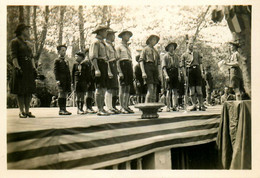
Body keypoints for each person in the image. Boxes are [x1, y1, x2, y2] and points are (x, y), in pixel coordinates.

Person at [9, 23, 37, 118]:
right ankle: (21, 111)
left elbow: (31, 57)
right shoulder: (15, 42)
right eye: (27, 30)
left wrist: (34, 68)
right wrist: (17, 67)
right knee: (20, 91)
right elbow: (14, 56)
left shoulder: (28, 44)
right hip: (20, 68)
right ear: (21, 31)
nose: (28, 32)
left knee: (29, 90)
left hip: (28, 68)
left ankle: (27, 111)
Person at [89, 25, 110, 116]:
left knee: (104, 87)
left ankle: (102, 107)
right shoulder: (95, 42)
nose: (106, 33)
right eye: (105, 31)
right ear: (100, 32)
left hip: (104, 64)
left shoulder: (103, 43)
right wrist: (97, 69)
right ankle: (99, 108)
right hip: (98, 64)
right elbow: (93, 57)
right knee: (99, 87)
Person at [181, 39, 206, 111]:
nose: (191, 45)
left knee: (199, 89)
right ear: (187, 45)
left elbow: (200, 63)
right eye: (189, 44)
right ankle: (194, 104)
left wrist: (202, 72)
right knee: (192, 89)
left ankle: (201, 104)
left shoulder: (197, 53)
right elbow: (182, 66)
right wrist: (185, 75)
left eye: (192, 44)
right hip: (190, 71)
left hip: (197, 70)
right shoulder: (184, 55)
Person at [116, 30, 134, 114]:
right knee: (122, 87)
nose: (128, 37)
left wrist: (132, 71)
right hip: (123, 65)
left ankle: (126, 105)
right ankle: (122, 106)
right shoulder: (119, 47)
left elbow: (130, 60)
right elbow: (117, 61)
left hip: (129, 65)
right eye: (127, 35)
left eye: (129, 36)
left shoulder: (128, 47)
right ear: (122, 36)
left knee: (128, 87)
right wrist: (119, 72)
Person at [139, 35, 160, 103]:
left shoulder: (156, 51)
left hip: (155, 68)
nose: (155, 41)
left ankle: (153, 106)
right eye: (153, 39)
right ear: (150, 40)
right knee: (150, 88)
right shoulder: (145, 49)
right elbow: (141, 61)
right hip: (148, 67)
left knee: (154, 89)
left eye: (156, 40)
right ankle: (147, 106)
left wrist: (159, 73)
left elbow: (159, 63)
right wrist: (143, 72)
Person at [105, 28, 120, 114]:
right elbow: (107, 59)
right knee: (109, 88)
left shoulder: (111, 45)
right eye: (112, 35)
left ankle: (112, 106)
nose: (114, 36)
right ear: (108, 36)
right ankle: (108, 107)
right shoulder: (106, 45)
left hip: (114, 64)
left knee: (114, 87)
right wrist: (109, 71)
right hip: (110, 64)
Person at [162, 42, 180, 111]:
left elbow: (178, 67)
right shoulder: (165, 56)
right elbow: (164, 67)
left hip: (175, 72)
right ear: (168, 48)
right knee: (168, 90)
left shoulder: (176, 56)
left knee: (175, 90)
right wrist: (166, 75)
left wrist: (178, 75)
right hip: (169, 72)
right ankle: (168, 106)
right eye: (170, 47)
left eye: (173, 47)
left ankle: (175, 105)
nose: (172, 48)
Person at [54, 44, 72, 115]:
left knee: (65, 94)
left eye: (65, 51)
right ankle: (61, 109)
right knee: (61, 93)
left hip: (66, 80)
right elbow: (55, 71)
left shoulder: (66, 61)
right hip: (61, 80)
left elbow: (68, 71)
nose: (64, 52)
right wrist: (57, 79)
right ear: (58, 51)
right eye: (62, 50)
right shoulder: (57, 60)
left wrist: (69, 80)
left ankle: (64, 109)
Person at [84, 48, 96, 114]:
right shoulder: (85, 62)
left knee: (91, 93)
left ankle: (90, 107)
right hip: (87, 79)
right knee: (88, 93)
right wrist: (86, 81)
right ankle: (87, 107)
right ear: (86, 53)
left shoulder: (91, 62)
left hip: (92, 79)